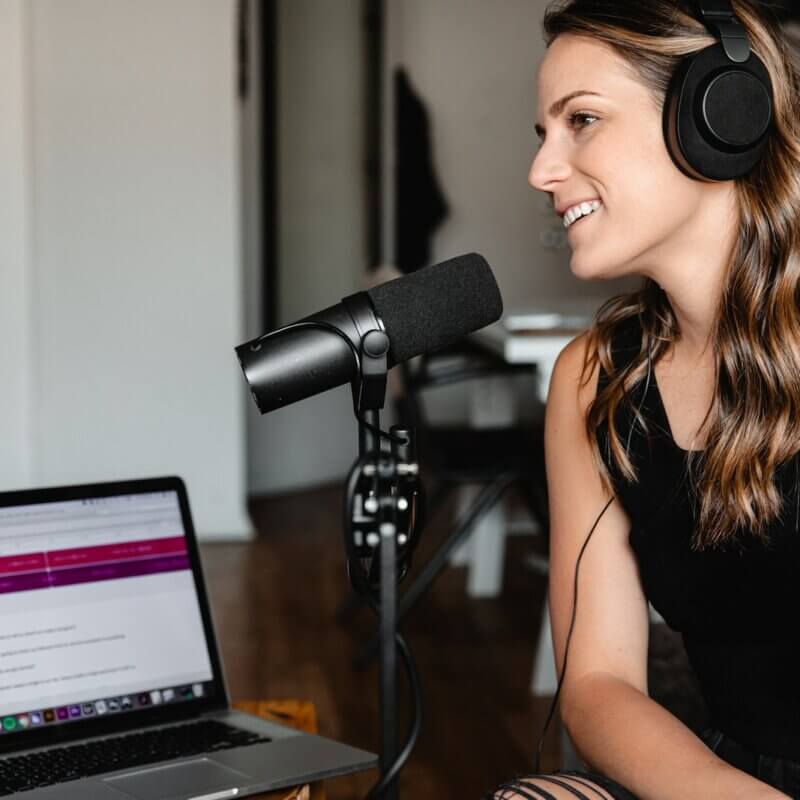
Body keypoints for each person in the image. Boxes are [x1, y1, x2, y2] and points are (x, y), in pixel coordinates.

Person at [487, 1, 800, 798]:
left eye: (581, 120)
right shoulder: (593, 379)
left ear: (721, 115)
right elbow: (596, 681)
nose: (541, 171)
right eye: (542, 134)